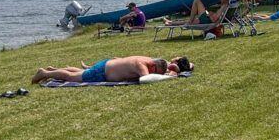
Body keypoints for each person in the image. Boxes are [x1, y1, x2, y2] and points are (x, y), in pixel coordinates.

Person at [32, 55, 193, 84]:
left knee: (80, 73)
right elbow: (146, 80)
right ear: (152, 66)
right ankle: (45, 73)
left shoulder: (147, 59)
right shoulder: (142, 66)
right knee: (72, 78)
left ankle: (54, 70)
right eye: (155, 71)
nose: (154, 73)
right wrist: (170, 77)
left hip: (106, 65)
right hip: (103, 72)